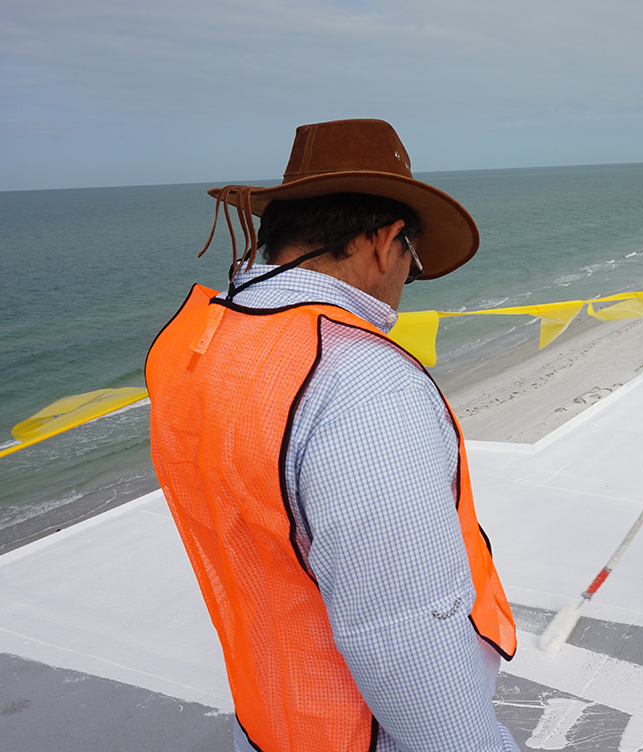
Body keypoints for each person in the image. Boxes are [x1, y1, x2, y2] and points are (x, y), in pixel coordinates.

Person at [146, 119, 519, 752]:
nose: (406, 278)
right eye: (413, 258)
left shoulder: (202, 347)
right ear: (385, 239)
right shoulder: (364, 382)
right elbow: (402, 631)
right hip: (362, 733)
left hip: (267, 718)